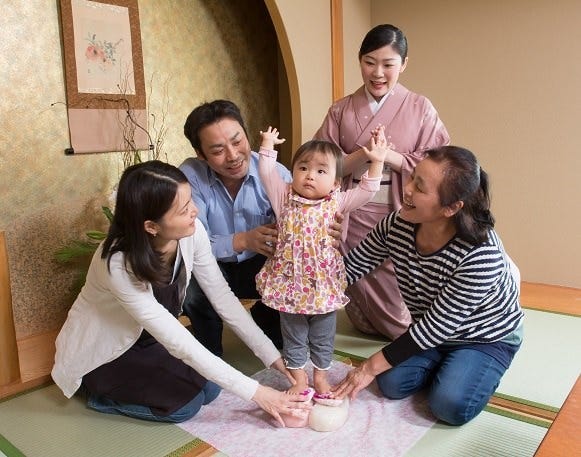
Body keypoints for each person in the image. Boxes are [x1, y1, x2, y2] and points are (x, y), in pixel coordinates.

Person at [51, 161, 312, 426]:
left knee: (211, 389)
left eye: (191, 201)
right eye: (184, 209)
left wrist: (274, 358)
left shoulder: (191, 232)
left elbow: (223, 298)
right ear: (151, 226)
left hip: (149, 340)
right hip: (108, 352)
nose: (195, 211)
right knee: (185, 408)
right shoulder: (118, 264)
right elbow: (176, 339)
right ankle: (97, 394)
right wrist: (260, 394)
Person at [332, 146, 524, 425]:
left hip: (484, 337)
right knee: (390, 384)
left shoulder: (481, 253)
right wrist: (305, 285)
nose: (407, 189)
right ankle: (450, 367)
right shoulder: (397, 224)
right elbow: (352, 267)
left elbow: (437, 326)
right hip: (431, 332)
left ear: (451, 207)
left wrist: (368, 367)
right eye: (412, 177)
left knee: (449, 405)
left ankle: (473, 368)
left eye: (419, 187)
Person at [314, 24, 450, 340]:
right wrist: (364, 153)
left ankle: (413, 334)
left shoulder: (420, 108)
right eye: (369, 62)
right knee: (356, 283)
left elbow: (439, 163)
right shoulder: (340, 109)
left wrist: (389, 156)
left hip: (402, 210)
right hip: (353, 212)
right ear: (360, 61)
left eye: (388, 64)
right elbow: (323, 165)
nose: (377, 73)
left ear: (404, 64)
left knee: (398, 291)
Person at [255, 127, 387, 402]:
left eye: (320, 171)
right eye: (303, 168)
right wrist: (267, 145)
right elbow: (266, 172)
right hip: (289, 285)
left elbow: (367, 191)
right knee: (293, 333)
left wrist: (377, 162)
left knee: (323, 333)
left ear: (336, 182)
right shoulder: (283, 196)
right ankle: (299, 377)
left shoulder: (338, 201)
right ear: (293, 172)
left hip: (323, 287)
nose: (310, 175)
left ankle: (321, 376)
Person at [180, 100, 291, 356]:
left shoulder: (274, 172)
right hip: (210, 264)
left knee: (294, 269)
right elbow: (190, 242)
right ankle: (209, 355)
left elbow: (304, 217)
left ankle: (267, 317)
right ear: (200, 154)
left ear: (246, 133)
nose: (233, 155)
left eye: (237, 141)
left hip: (262, 265)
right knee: (192, 288)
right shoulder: (189, 177)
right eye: (218, 150)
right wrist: (243, 240)